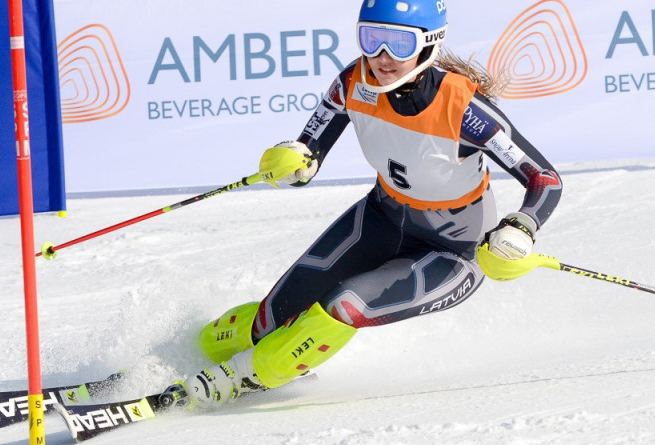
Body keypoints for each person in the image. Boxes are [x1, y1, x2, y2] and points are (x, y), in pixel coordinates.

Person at [168, 0, 563, 408]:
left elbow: (545, 180)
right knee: (272, 316)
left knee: (344, 304)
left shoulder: (465, 110)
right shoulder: (352, 82)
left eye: (398, 43)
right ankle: (189, 351)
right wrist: (295, 162)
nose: (381, 57)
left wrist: (522, 226)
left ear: (429, 45)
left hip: (453, 251)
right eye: (371, 39)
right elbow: (309, 152)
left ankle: (241, 378)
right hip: (381, 218)